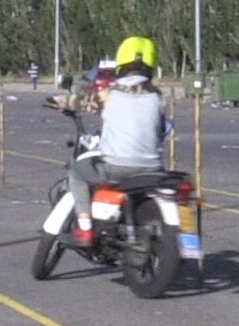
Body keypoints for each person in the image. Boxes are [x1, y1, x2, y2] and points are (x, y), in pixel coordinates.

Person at [59, 36, 166, 249]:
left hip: (117, 167)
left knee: (77, 172)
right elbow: (161, 128)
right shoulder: (157, 96)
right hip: (153, 168)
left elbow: (79, 103)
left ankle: (85, 226)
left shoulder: (110, 93)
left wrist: (63, 102)